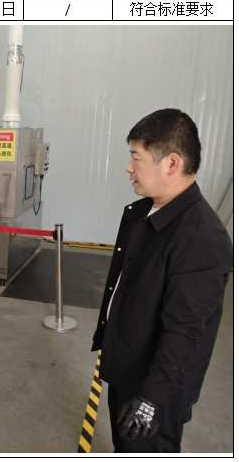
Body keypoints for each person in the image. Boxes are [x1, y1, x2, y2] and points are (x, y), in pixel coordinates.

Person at [91, 109, 233, 453]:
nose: (129, 168)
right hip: (127, 366)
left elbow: (185, 331)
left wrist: (151, 400)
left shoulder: (201, 237)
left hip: (156, 389)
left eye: (135, 158)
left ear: (171, 163)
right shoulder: (143, 213)